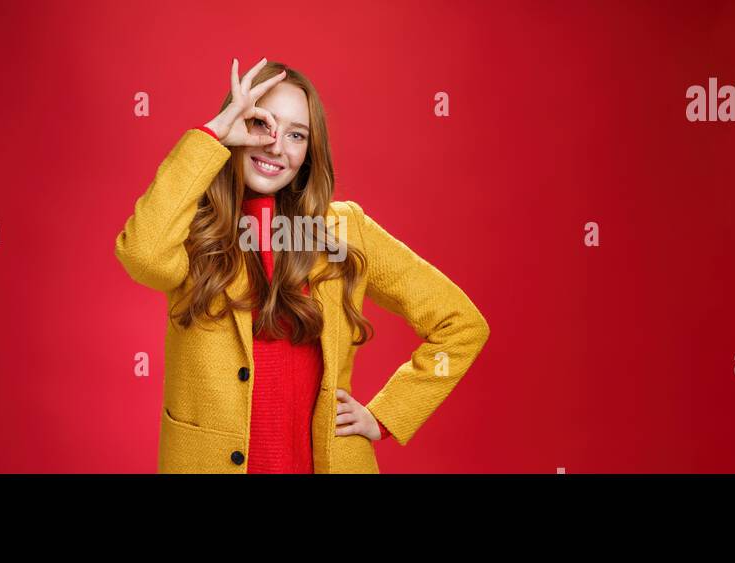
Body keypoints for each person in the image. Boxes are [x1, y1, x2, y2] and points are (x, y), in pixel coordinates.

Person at [115, 57, 490, 473]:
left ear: (309, 153)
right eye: (261, 123)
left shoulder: (344, 231)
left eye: (296, 134)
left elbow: (461, 324)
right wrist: (213, 135)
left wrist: (386, 415)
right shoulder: (194, 232)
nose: (276, 145)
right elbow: (142, 254)